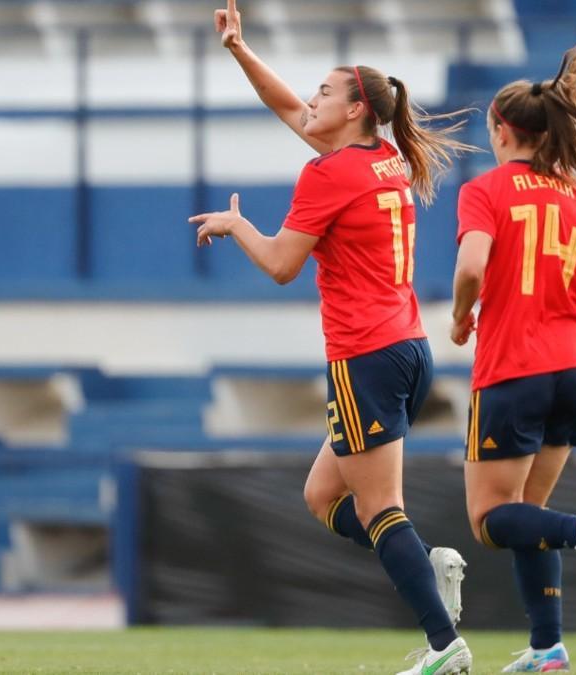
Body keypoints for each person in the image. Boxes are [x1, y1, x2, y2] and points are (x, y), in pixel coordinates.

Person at [190, 2, 476, 673]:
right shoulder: (387, 158)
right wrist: (240, 49)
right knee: (324, 496)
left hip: (365, 355)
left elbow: (284, 265)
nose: (308, 100)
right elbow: (288, 106)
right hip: (408, 349)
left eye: (324, 92)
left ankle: (445, 645)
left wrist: (237, 227)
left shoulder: (327, 174)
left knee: (380, 508)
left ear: (353, 110)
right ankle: (425, 563)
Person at [448, 32, 576, 673]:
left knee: (488, 519)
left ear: (502, 130)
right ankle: (548, 650)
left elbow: (472, 268)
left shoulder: (485, 190)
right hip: (572, 369)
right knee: (525, 512)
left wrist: (460, 317)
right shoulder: (575, 194)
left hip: (513, 366)